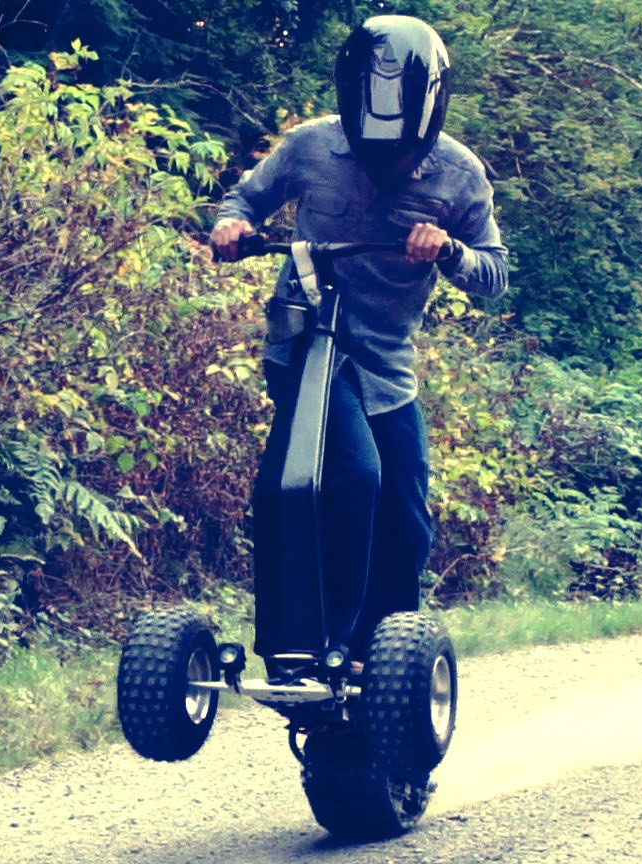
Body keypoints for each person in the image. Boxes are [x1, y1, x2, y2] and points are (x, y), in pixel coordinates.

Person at [210, 15, 509, 669]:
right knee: (353, 476)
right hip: (306, 344)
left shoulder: (460, 175)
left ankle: (386, 660)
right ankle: (318, 648)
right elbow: (245, 200)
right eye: (374, 150)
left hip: (386, 362)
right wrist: (232, 227)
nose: (385, 164)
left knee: (405, 512)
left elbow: (494, 274)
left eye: (399, 153)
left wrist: (449, 250)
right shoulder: (310, 146)